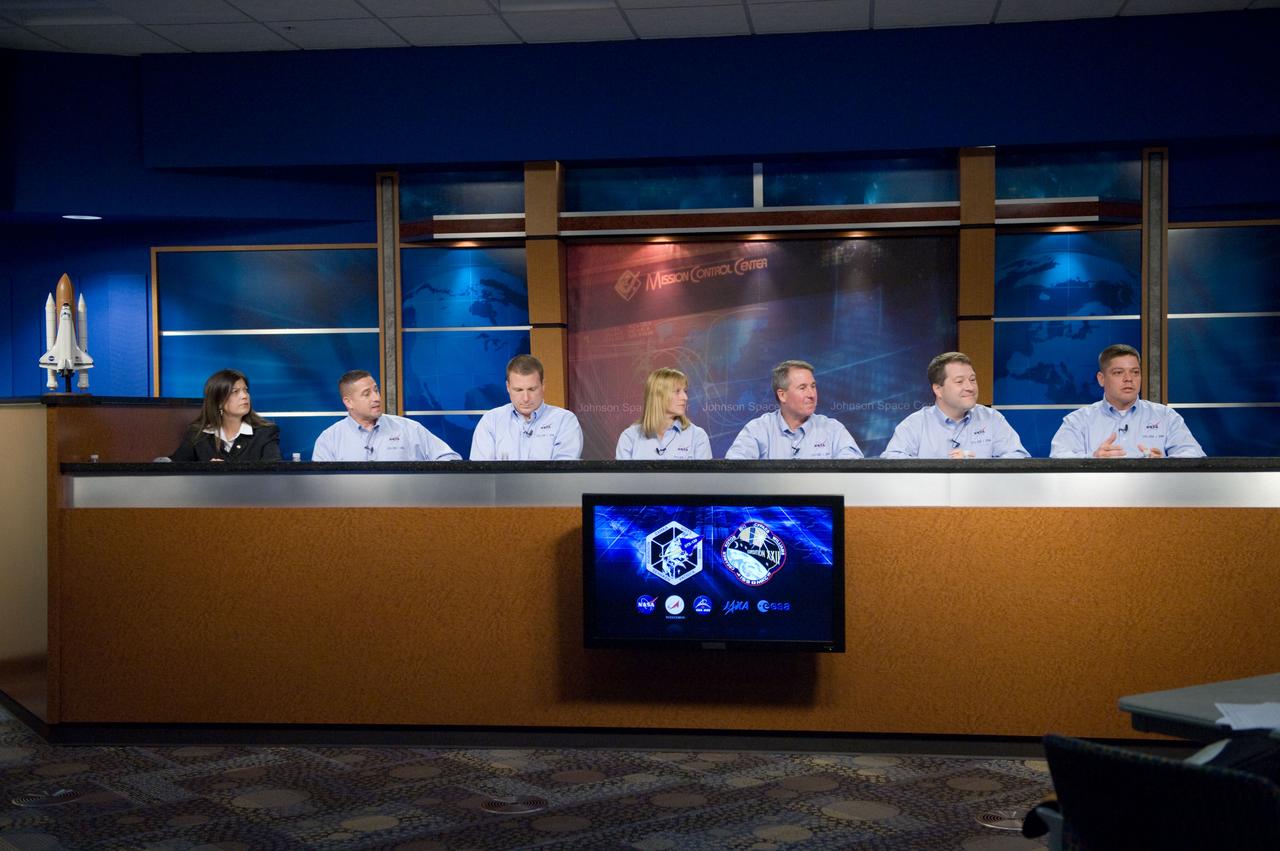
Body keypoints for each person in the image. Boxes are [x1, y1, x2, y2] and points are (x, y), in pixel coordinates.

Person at [1050, 344, 1205, 458]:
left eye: (1135, 372)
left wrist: (1164, 463)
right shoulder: (1078, 420)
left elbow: (1195, 455)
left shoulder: (1166, 416)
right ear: (1101, 379)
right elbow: (1057, 458)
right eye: (1118, 373)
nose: (1128, 379)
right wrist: (1093, 458)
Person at [882, 352, 1029, 459]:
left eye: (972, 380)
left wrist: (979, 466)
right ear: (938, 389)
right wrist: (940, 468)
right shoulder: (915, 424)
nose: (970, 387)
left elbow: (1019, 457)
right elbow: (891, 460)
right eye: (959, 381)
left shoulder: (992, 419)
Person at [725, 359, 863, 459]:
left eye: (813, 386)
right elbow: (734, 472)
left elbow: (853, 473)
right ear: (782, 395)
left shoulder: (833, 430)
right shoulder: (758, 429)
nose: (811, 394)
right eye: (802, 388)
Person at [311, 370, 460, 461]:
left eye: (376, 390)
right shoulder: (329, 439)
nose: (376, 398)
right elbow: (319, 486)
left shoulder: (409, 429)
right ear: (349, 402)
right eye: (366, 394)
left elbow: (450, 459)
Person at [469, 354, 583, 460]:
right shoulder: (491, 421)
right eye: (518, 390)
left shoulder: (565, 420)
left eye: (532, 389)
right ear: (508, 387)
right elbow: (481, 473)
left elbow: (564, 472)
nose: (525, 398)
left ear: (543, 385)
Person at [169, 368, 281, 462]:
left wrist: (225, 472)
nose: (244, 396)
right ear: (218, 402)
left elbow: (273, 473)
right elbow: (171, 467)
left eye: (245, 390)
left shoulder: (265, 433)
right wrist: (204, 471)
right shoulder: (198, 434)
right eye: (235, 392)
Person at [615, 367, 712, 460]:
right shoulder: (630, 437)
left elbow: (704, 477)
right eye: (677, 391)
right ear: (658, 396)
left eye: (685, 391)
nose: (685, 397)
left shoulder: (697, 437)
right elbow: (622, 477)